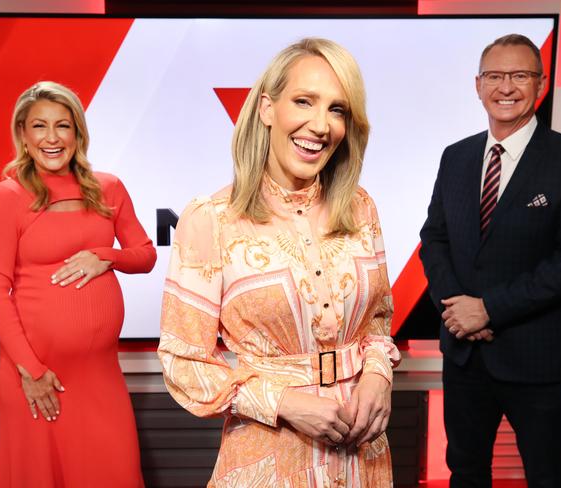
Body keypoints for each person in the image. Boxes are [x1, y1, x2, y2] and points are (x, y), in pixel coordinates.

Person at [158, 38, 401, 487]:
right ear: (267, 108)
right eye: (304, 101)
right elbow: (182, 361)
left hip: (363, 451)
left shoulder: (361, 207)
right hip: (269, 454)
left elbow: (377, 323)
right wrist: (283, 401)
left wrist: (378, 375)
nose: (320, 124)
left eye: (337, 109)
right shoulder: (210, 219)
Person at [419, 34, 561, 487]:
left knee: (546, 476)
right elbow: (434, 238)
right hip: (465, 355)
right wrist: (456, 309)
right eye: (495, 76)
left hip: (540, 357)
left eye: (520, 75)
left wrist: (489, 309)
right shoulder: (456, 156)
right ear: (478, 85)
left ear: (540, 85)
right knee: (465, 473)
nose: (506, 87)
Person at [0, 81, 156, 487]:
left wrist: (105, 255)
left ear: (78, 133)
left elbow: (145, 254)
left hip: (99, 375)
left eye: (64, 126)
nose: (53, 138)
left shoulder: (107, 187)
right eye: (40, 126)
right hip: (37, 375)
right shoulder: (8, 195)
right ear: (23, 134)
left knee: (115, 473)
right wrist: (31, 370)